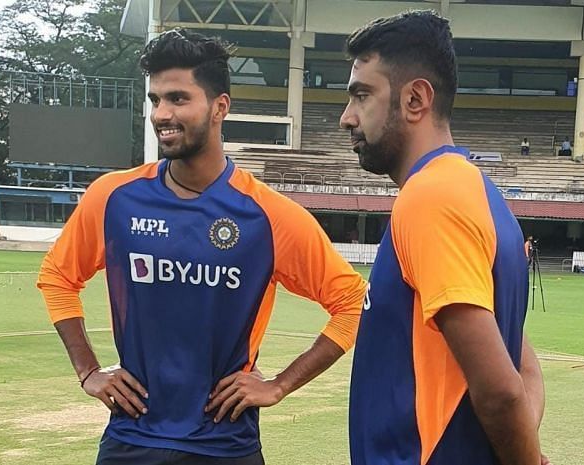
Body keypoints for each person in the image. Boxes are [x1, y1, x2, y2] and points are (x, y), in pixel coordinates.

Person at [36, 29, 367, 465]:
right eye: (155, 100)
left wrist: (280, 384)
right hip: (132, 438)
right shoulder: (113, 197)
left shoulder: (268, 215)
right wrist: (88, 371)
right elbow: (57, 278)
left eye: (177, 98)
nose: (162, 114)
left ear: (219, 107)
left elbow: (351, 301)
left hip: (225, 444)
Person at [340, 11, 545, 465]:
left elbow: (501, 390)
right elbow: (523, 366)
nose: (346, 118)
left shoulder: (431, 197)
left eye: (361, 96)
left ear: (415, 99)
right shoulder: (479, 194)